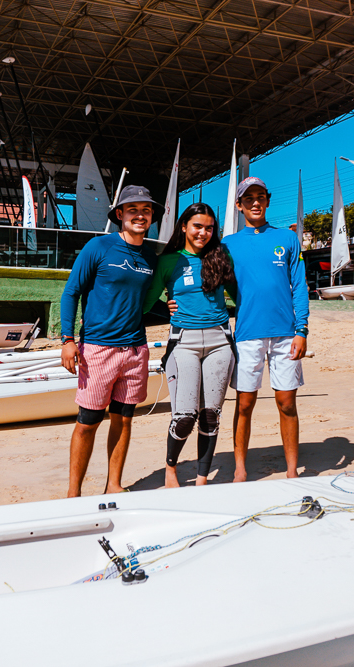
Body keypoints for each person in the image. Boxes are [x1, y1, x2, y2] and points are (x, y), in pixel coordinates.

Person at [60, 185, 161, 497]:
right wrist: (67, 339)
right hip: (98, 349)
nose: (140, 215)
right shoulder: (98, 247)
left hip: (135, 350)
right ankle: (73, 492)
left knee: (124, 420)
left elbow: (147, 299)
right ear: (120, 215)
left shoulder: (150, 256)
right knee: (88, 422)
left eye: (145, 210)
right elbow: (71, 291)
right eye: (133, 210)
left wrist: (169, 306)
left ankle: (113, 485)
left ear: (151, 215)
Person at [143, 203, 236, 487]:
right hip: (184, 342)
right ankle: (171, 468)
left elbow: (239, 296)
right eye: (198, 226)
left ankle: (201, 478)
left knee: (211, 415)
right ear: (184, 226)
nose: (203, 233)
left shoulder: (221, 255)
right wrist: (165, 308)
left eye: (209, 228)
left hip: (220, 341)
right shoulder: (169, 260)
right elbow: (146, 302)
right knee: (184, 415)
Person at [222, 177, 308, 482]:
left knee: (286, 403)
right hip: (246, 333)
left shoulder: (287, 239)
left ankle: (291, 470)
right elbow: (219, 284)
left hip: (286, 334)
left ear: (268, 201)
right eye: (248, 199)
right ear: (239, 205)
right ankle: (240, 469)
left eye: (260, 197)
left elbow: (299, 286)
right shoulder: (227, 244)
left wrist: (302, 330)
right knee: (245, 403)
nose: (255, 203)